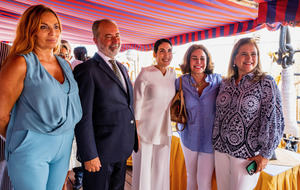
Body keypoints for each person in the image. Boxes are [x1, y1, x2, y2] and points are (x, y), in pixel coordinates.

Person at [0, 4, 82, 190]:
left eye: (56, 26)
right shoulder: (20, 63)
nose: (52, 32)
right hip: (31, 146)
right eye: (43, 27)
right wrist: (24, 140)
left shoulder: (65, 64)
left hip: (64, 145)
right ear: (31, 31)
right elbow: (1, 115)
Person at [73, 19, 138, 190]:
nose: (116, 41)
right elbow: (82, 117)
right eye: (108, 36)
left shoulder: (122, 68)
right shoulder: (87, 70)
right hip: (99, 154)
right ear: (95, 40)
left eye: (117, 35)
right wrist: (89, 155)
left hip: (121, 148)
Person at [212, 37, 284, 190]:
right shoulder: (225, 83)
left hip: (247, 154)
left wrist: (266, 154)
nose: (249, 58)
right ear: (235, 58)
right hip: (220, 149)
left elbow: (273, 120)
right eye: (244, 53)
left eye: (254, 54)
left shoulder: (266, 82)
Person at [175, 44, 222, 190]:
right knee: (191, 176)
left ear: (207, 61)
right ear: (188, 61)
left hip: (210, 140)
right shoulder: (180, 82)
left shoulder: (218, 81)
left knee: (204, 181)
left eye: (202, 58)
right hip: (188, 137)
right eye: (194, 58)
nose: (199, 62)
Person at [132, 38, 176, 190]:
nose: (166, 54)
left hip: (164, 130)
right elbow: (136, 104)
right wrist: (135, 132)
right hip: (144, 131)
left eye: (169, 51)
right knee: (143, 171)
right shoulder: (145, 73)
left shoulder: (172, 74)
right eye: (162, 51)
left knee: (161, 171)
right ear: (155, 54)